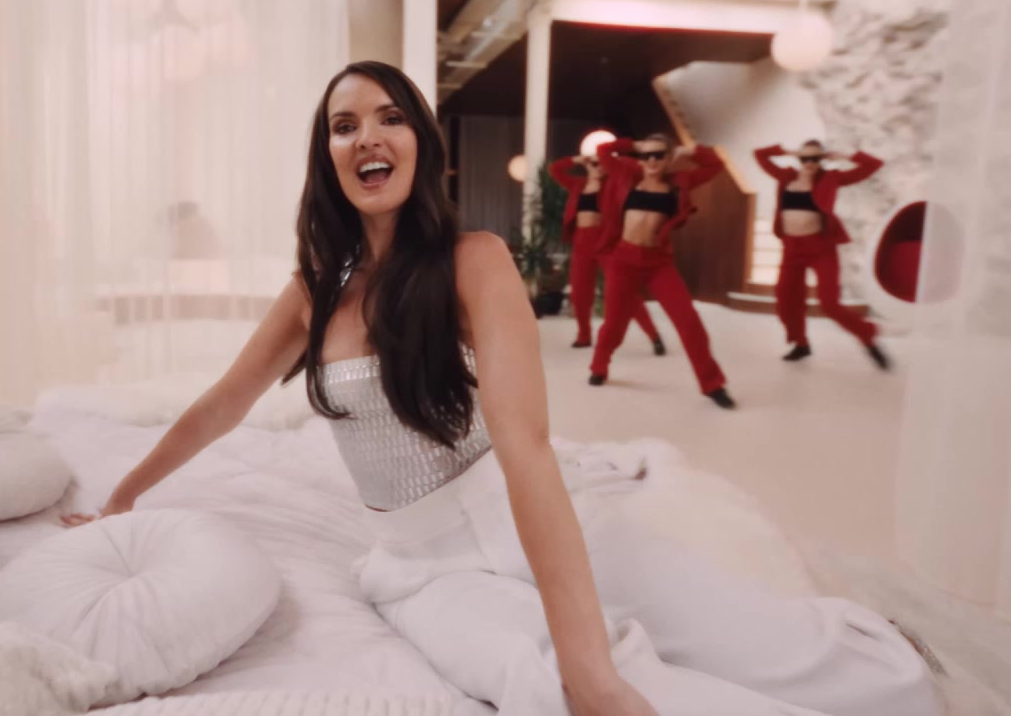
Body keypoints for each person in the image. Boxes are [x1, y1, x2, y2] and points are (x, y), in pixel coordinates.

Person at [63, 62, 941, 716]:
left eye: (390, 117)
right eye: (343, 125)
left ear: (421, 143)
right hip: (418, 571)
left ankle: (887, 669)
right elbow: (223, 404)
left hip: (522, 511)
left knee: (768, 643)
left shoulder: (474, 261)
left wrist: (588, 658)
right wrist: (123, 497)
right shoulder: (313, 292)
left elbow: (526, 449)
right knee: (562, 687)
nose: (367, 137)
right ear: (327, 157)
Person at [589, 135, 736, 409]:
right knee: (614, 325)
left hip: (658, 263)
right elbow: (604, 150)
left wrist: (689, 150)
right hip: (623, 259)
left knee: (689, 322)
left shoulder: (680, 182)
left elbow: (715, 165)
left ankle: (712, 384)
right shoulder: (627, 174)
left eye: (659, 155)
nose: (652, 160)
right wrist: (633, 146)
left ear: (669, 158)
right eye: (647, 155)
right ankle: (599, 365)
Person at [754, 141, 889, 368]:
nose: (809, 163)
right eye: (804, 158)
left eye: (815, 158)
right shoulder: (786, 176)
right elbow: (759, 154)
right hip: (791, 248)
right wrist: (787, 151)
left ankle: (868, 337)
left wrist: (845, 155)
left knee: (830, 304)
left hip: (820, 247)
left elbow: (873, 165)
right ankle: (801, 343)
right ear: (799, 159)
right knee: (785, 300)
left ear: (822, 159)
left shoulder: (830, 178)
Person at [550, 152, 665, 353]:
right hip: (581, 242)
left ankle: (654, 335)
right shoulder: (578, 184)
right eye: (594, 163)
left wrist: (612, 158)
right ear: (587, 165)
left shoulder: (612, 183)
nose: (598, 167)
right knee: (580, 293)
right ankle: (584, 336)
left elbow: (635, 169)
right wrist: (577, 159)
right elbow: (555, 169)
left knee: (625, 292)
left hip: (605, 242)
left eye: (602, 164)